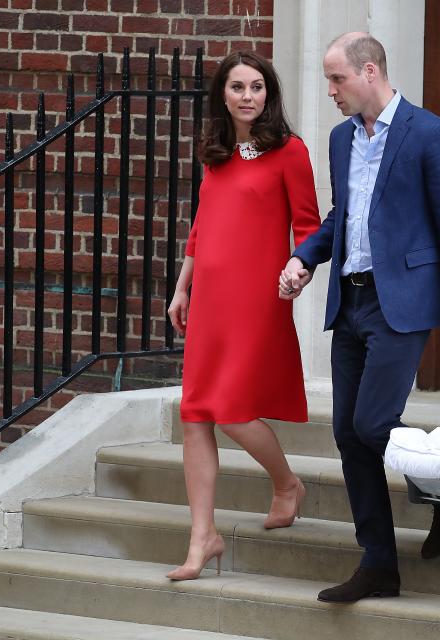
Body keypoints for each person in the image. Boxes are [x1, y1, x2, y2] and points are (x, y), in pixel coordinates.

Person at [279, 32, 440, 603]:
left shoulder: (429, 135)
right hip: (348, 300)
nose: (331, 92)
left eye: (337, 79)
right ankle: (378, 563)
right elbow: (341, 217)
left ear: (369, 71)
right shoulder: (342, 140)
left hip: (401, 304)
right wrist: (305, 257)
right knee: (349, 434)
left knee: (373, 425)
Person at [166, 51, 321, 581]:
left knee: (231, 410)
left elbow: (308, 225)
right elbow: (202, 225)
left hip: (257, 295)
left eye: (257, 87)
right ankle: (202, 536)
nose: (248, 96)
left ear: (268, 94)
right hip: (210, 295)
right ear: (223, 96)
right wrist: (183, 286)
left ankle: (285, 483)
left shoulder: (289, 151)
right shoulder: (215, 152)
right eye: (238, 87)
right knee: (195, 413)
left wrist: (300, 271)